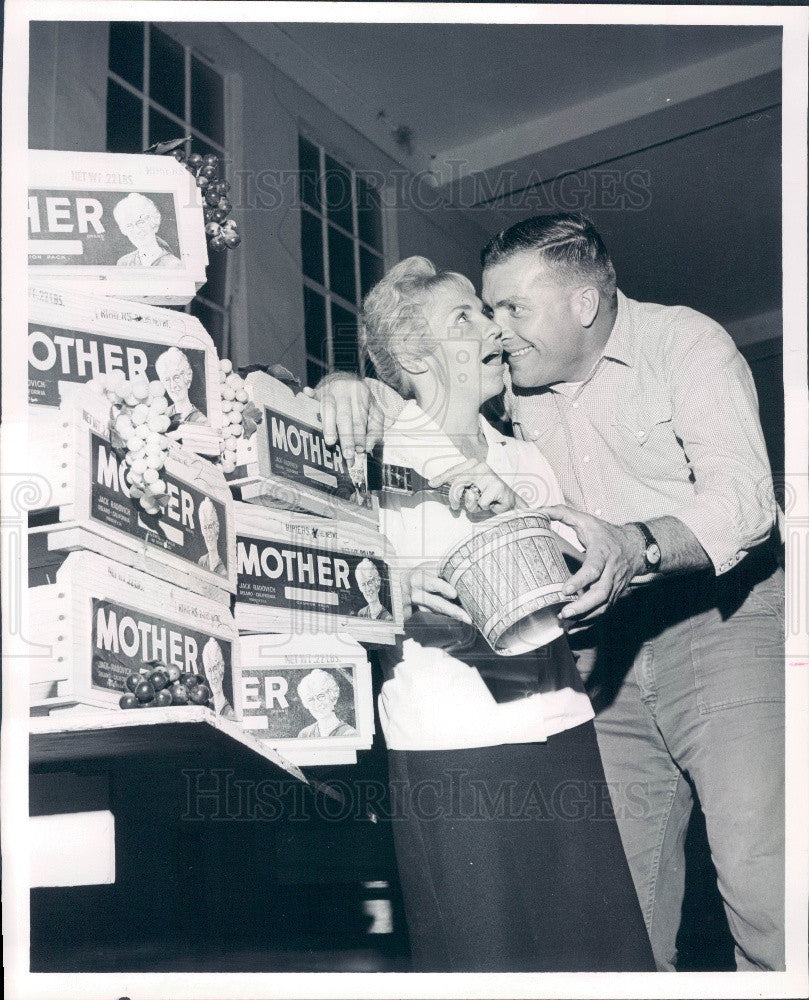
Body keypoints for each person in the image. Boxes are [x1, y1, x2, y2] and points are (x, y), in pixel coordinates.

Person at [317, 216, 785, 972]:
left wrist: (628, 542)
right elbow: (359, 441)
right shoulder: (483, 419)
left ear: (582, 305)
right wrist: (337, 383)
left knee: (763, 880)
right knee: (620, 921)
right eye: (480, 312)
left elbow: (745, 503)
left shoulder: (680, 346)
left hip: (715, 622)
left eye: (508, 310)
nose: (499, 333)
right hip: (579, 675)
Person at [356, 256, 655, 973]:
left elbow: (557, 590)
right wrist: (393, 587)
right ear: (409, 353)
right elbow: (316, 581)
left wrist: (584, 586)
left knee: (598, 959)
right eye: (464, 317)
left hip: (559, 727)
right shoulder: (367, 450)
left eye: (487, 314)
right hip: (448, 746)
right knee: (483, 962)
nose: (493, 328)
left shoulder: (525, 459)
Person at [113, 193, 182, 268]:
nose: (137, 230)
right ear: (124, 230)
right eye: (129, 225)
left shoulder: (174, 264)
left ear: (153, 223)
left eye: (140, 222)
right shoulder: (124, 263)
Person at [154, 346, 207, 426]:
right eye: (167, 379)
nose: (173, 385)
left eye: (176, 377)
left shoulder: (201, 421)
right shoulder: (163, 415)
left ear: (188, 377)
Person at [296, 668, 357, 738]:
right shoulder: (304, 734)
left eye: (321, 696)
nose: (317, 704)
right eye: (311, 699)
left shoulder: (350, 734)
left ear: (333, 697)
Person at [201, 637, 235, 719]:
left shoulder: (231, 712)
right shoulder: (205, 706)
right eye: (209, 670)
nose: (213, 676)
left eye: (215, 668)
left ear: (222, 668)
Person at [197, 497, 228, 577]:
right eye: (205, 528)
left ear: (216, 531)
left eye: (210, 527)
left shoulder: (224, 570)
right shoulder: (202, 561)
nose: (208, 535)